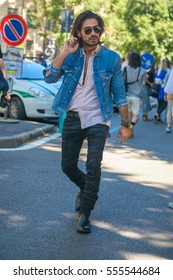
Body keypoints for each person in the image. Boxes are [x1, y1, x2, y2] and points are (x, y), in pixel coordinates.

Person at [44, 10, 132, 234]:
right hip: (73, 116)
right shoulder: (71, 55)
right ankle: (86, 189)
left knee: (94, 167)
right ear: (79, 33)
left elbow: (119, 93)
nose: (94, 33)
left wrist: (126, 123)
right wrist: (64, 52)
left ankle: (85, 214)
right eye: (88, 30)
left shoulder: (111, 58)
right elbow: (49, 77)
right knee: (67, 166)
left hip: (98, 119)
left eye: (97, 29)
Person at [123, 52, 146, 136]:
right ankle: (131, 127)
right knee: (135, 116)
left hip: (126, 95)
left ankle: (130, 131)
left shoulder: (125, 69)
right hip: (136, 96)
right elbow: (143, 84)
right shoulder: (142, 71)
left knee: (129, 116)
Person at [164, 67, 173, 133]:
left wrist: (165, 93)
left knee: (169, 109)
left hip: (170, 91)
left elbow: (169, 81)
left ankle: (168, 126)